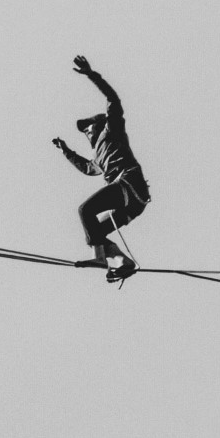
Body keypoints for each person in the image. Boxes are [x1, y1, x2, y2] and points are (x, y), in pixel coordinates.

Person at [52, 55, 151, 282]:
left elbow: (113, 98)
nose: (87, 133)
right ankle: (123, 261)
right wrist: (65, 150)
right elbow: (87, 168)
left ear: (99, 124)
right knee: (93, 234)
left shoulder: (111, 128)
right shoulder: (98, 157)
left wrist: (91, 74)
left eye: (88, 127)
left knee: (85, 211)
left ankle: (100, 258)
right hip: (133, 204)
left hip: (129, 183)